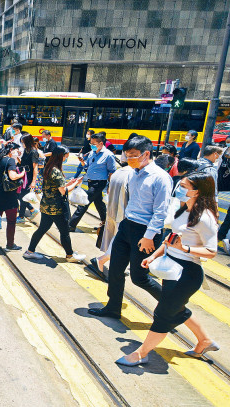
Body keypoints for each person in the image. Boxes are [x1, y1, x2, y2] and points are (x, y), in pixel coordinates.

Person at [116, 172, 219, 366]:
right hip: (171, 268)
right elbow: (172, 238)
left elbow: (211, 251)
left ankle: (141, 353)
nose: (178, 189)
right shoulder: (183, 209)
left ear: (197, 191)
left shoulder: (205, 218)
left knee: (163, 313)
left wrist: (185, 248)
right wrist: (153, 255)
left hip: (187, 273)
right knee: (175, 308)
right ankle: (204, 341)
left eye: (183, 186)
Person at [89, 135, 172, 320]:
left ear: (146, 154)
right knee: (116, 269)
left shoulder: (160, 178)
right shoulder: (133, 174)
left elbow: (161, 212)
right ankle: (113, 307)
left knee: (139, 277)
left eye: (133, 155)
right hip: (127, 226)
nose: (129, 159)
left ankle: (175, 307)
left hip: (145, 232)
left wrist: (149, 236)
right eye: (127, 155)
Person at [23, 146, 87, 262]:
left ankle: (30, 251)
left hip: (46, 205)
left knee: (42, 229)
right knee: (64, 232)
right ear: (60, 156)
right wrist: (76, 183)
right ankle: (70, 255)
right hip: (56, 207)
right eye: (66, 156)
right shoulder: (56, 171)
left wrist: (69, 183)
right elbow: (63, 191)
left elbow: (57, 187)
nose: (66, 158)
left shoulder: (49, 167)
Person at [69, 131, 118, 231]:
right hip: (90, 181)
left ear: (101, 143)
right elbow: (87, 167)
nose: (92, 146)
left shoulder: (108, 155)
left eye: (94, 144)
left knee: (84, 202)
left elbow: (112, 171)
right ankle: (106, 223)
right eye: (91, 144)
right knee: (99, 203)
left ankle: (71, 225)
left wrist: (110, 186)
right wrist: (82, 162)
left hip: (99, 183)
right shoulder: (92, 153)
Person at [90, 165, 134, 275]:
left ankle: (116, 265)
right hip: (124, 214)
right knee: (121, 242)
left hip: (113, 212)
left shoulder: (118, 172)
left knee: (117, 240)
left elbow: (109, 191)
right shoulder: (133, 174)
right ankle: (102, 260)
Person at [0, 143, 25, 250]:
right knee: (11, 222)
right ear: (11, 150)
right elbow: (12, 176)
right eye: (16, 150)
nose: (17, 152)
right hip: (9, 196)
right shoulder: (10, 161)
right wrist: (22, 173)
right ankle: (10, 244)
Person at [17, 133, 40, 221]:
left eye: (23, 142)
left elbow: (35, 167)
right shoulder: (26, 150)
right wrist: (18, 157)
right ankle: (32, 210)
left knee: (22, 195)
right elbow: (23, 163)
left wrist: (34, 181)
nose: (22, 144)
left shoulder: (33, 152)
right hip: (23, 175)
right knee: (20, 195)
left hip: (28, 177)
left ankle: (21, 216)